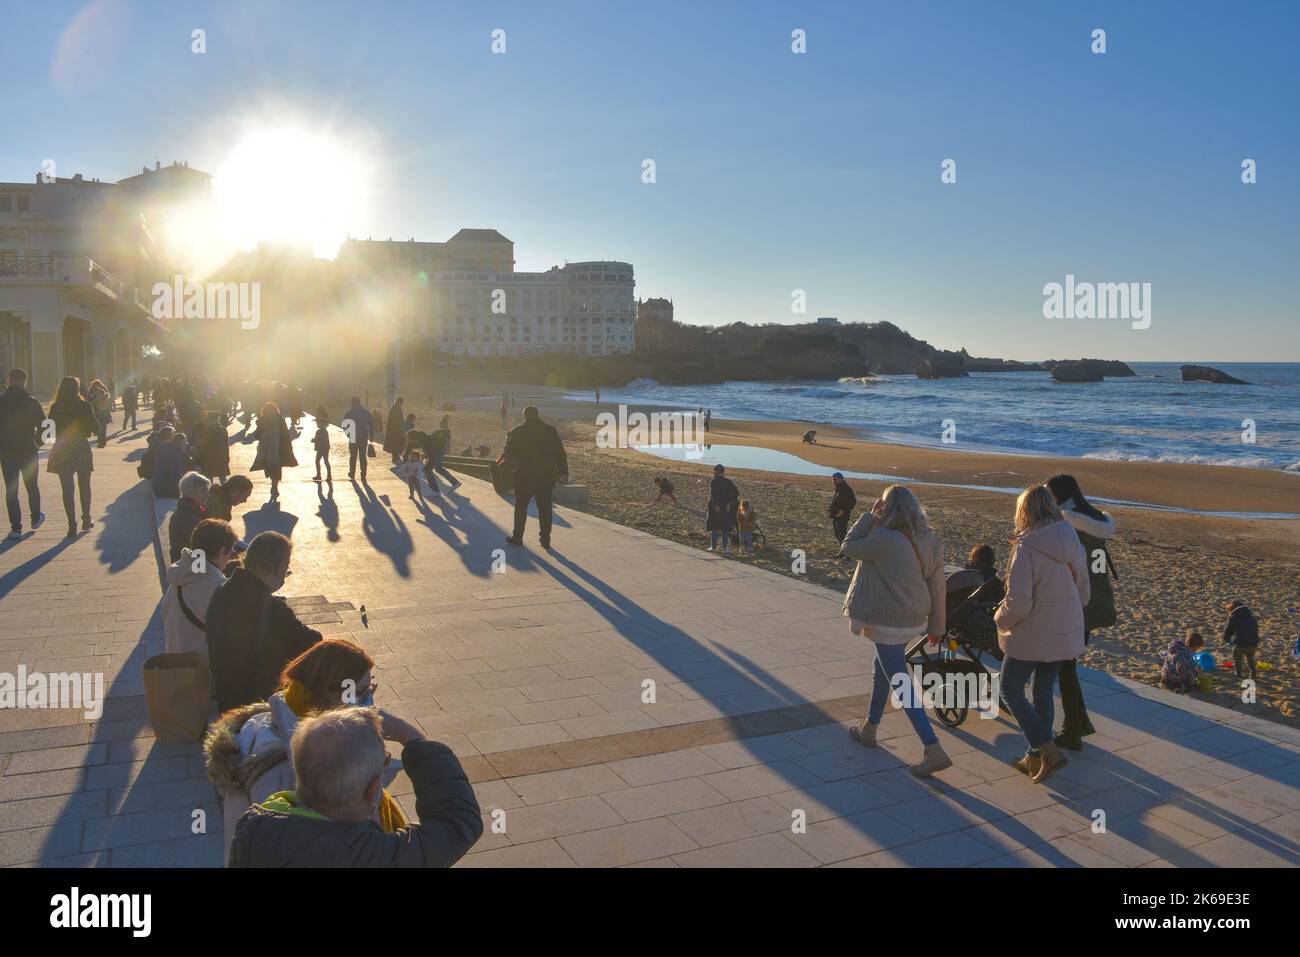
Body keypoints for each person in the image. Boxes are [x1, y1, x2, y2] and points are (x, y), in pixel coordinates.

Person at [206, 639, 410, 865]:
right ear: (327, 698)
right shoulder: (291, 772)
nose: (369, 702)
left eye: (370, 689)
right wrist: (408, 735)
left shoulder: (263, 725)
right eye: (360, 693)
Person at [229, 706, 482, 867]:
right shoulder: (373, 855)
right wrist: (411, 737)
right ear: (374, 791)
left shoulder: (253, 829)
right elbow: (459, 823)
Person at [841, 485, 951, 777]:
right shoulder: (929, 538)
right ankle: (870, 728)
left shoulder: (883, 538)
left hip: (889, 621)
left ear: (886, 508)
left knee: (900, 682)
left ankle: (933, 748)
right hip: (915, 618)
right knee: (884, 668)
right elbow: (938, 586)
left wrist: (868, 515)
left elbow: (848, 546)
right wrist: (937, 625)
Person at [994, 484, 1090, 784]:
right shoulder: (1071, 538)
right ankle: (1034, 757)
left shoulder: (1027, 547)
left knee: (1010, 690)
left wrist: (999, 618)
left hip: (1033, 633)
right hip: (1065, 631)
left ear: (1024, 511)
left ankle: (1047, 750)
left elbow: (1019, 603)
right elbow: (1084, 591)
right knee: (1042, 692)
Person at [206, 530, 322, 713]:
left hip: (227, 701)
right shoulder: (272, 609)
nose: (285, 574)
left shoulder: (221, 592)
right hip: (261, 708)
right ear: (278, 566)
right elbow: (312, 643)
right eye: (286, 567)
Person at [1045, 474, 1116, 751]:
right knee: (1067, 665)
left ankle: (1074, 727)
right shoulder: (1095, 521)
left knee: (1064, 667)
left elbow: (1068, 567)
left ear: (1059, 494)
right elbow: (1096, 570)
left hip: (1075, 603)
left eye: (1050, 493)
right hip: (1092, 602)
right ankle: (1077, 723)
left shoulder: (1068, 524)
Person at [162, 518, 238, 662]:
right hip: (199, 670)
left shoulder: (182, 573)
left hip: (173, 664)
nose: (229, 558)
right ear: (221, 550)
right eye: (230, 552)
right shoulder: (216, 586)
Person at [502, 405, 568, 550]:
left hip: (523, 475)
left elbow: (508, 453)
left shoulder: (517, 431)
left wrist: (508, 441)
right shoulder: (550, 431)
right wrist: (563, 472)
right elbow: (560, 453)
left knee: (521, 507)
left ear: (525, 416)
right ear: (538, 415)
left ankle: (517, 537)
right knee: (545, 509)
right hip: (545, 476)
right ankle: (545, 540)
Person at [46, 376, 97, 536]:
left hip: (62, 448)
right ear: (78, 388)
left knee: (67, 489)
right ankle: (87, 520)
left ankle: (71, 525)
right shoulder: (85, 406)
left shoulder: (55, 408)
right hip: (81, 446)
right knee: (84, 486)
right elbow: (95, 426)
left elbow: (48, 433)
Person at [0, 368, 45, 539]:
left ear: (9, 380)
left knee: (11, 490)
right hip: (28, 451)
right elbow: (47, 426)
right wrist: (37, 443)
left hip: (7, 453)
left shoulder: (1, 401)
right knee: (32, 486)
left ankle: (16, 528)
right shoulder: (31, 401)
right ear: (25, 381)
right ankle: (35, 518)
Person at [251, 401, 297, 500]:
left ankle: (273, 484)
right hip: (278, 449)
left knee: (269, 467)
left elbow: (257, 436)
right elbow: (285, 435)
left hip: (265, 449)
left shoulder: (262, 420)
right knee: (276, 468)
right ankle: (274, 485)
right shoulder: (280, 420)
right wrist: (288, 448)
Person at [168, 471, 211, 563]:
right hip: (189, 568)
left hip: (188, 563)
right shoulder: (188, 517)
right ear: (190, 493)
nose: (207, 494)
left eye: (207, 490)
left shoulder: (193, 510)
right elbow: (198, 549)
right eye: (203, 491)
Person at [1223, 600, 1260, 680]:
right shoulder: (1252, 618)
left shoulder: (1233, 618)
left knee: (1237, 658)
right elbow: (1255, 630)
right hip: (1253, 643)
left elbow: (1228, 631)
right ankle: (1253, 671)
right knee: (1250, 657)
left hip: (1240, 643)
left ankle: (1238, 673)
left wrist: (1227, 639)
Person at [705, 464, 738, 553]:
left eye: (714, 471)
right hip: (726, 508)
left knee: (714, 528)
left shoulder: (714, 481)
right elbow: (736, 493)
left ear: (717, 471)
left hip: (716, 508)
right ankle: (725, 548)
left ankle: (713, 546)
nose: (713, 472)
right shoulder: (728, 481)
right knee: (725, 528)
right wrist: (730, 503)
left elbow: (713, 495)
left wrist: (716, 505)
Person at [152, 431, 193, 499]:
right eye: (185, 443)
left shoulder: (168, 448)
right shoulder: (174, 454)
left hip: (159, 488)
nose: (186, 445)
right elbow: (176, 474)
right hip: (166, 490)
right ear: (180, 443)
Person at [341, 396, 371, 483]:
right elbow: (371, 424)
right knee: (363, 456)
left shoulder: (349, 413)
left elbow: (344, 425)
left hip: (353, 436)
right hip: (363, 436)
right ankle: (363, 475)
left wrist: (349, 435)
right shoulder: (365, 412)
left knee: (353, 456)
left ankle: (352, 473)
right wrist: (371, 435)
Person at [195, 410, 230, 481]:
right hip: (221, 456)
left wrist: (198, 454)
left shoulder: (207, 430)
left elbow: (204, 445)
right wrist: (227, 456)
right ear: (218, 419)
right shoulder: (223, 430)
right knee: (222, 477)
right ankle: (225, 491)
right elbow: (226, 445)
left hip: (209, 457)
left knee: (209, 477)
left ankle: (210, 491)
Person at [829, 472, 856, 544]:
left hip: (842, 516)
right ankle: (843, 551)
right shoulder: (838, 488)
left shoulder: (846, 488)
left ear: (841, 479)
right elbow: (837, 500)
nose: (834, 481)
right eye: (833, 479)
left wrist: (843, 511)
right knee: (838, 534)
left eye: (835, 479)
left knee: (842, 535)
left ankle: (845, 552)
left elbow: (852, 502)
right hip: (836, 515)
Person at [86, 378, 111, 448]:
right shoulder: (96, 391)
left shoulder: (95, 391)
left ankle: (101, 440)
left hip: (99, 411)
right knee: (101, 427)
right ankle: (101, 440)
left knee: (101, 427)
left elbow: (88, 401)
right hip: (99, 411)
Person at [384, 397, 406, 465]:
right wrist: (400, 429)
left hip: (395, 430)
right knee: (395, 444)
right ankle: (395, 457)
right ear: (400, 402)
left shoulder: (395, 408)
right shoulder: (396, 409)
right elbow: (397, 421)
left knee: (395, 444)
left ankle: (395, 457)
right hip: (395, 431)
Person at [312, 415, 331, 483]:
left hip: (323, 448)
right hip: (323, 448)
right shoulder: (321, 431)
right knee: (321, 461)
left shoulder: (321, 431)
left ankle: (326, 475)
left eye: (318, 423)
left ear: (321, 424)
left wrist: (314, 440)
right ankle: (323, 475)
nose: (317, 424)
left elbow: (320, 440)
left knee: (323, 461)